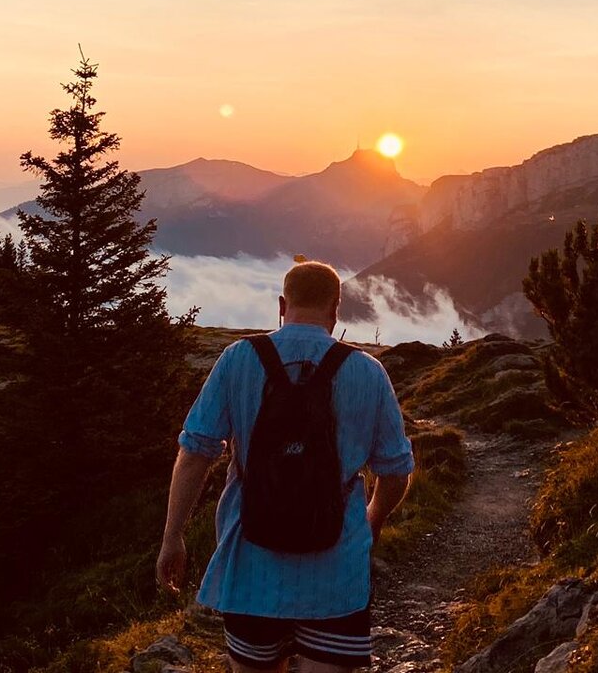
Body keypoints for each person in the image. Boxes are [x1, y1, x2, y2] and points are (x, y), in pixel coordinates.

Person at [157, 260, 413, 672]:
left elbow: (195, 453)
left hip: (250, 569)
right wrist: (374, 518)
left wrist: (173, 537)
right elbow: (396, 469)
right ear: (336, 309)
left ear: (282, 304)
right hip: (336, 575)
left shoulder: (238, 359)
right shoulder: (368, 372)